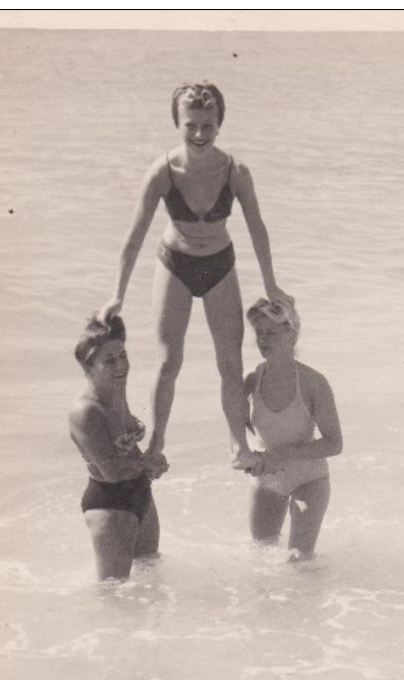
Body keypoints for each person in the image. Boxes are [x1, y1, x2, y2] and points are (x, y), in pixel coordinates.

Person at [97, 81, 294, 472]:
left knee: (230, 363)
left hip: (220, 265)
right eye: (191, 125)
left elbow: (258, 228)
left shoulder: (235, 171)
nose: (200, 134)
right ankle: (155, 445)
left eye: (208, 125)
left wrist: (271, 283)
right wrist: (116, 295)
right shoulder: (163, 171)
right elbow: (133, 237)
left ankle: (239, 446)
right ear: (177, 123)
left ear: (220, 123)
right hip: (175, 263)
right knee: (169, 362)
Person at [69, 316, 168, 582]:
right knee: (114, 598)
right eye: (109, 360)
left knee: (151, 577)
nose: (121, 365)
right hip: (110, 504)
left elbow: (126, 450)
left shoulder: (115, 390)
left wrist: (151, 464)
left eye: (123, 355)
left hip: (140, 494)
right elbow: (110, 470)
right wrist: (147, 463)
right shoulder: (85, 411)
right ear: (88, 366)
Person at [244, 299, 343, 561]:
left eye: (272, 332)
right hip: (269, 478)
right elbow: (236, 426)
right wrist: (246, 454)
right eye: (259, 333)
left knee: (299, 560)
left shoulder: (314, 383)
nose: (263, 340)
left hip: (309, 476)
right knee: (260, 559)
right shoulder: (252, 378)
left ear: (292, 333)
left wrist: (279, 456)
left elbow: (334, 443)